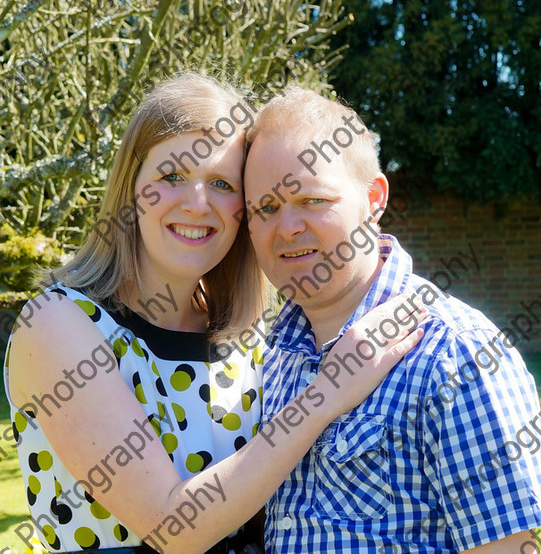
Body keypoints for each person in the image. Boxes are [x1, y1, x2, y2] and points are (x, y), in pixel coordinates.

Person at [3, 73, 426, 554]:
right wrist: (326, 393)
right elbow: (170, 527)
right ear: (130, 189)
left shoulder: (250, 339)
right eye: (172, 176)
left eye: (222, 183)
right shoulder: (58, 323)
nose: (197, 202)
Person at [243, 86, 541, 553]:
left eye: (313, 200)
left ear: (375, 198)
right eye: (266, 208)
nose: (287, 228)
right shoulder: (274, 355)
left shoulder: (458, 355)